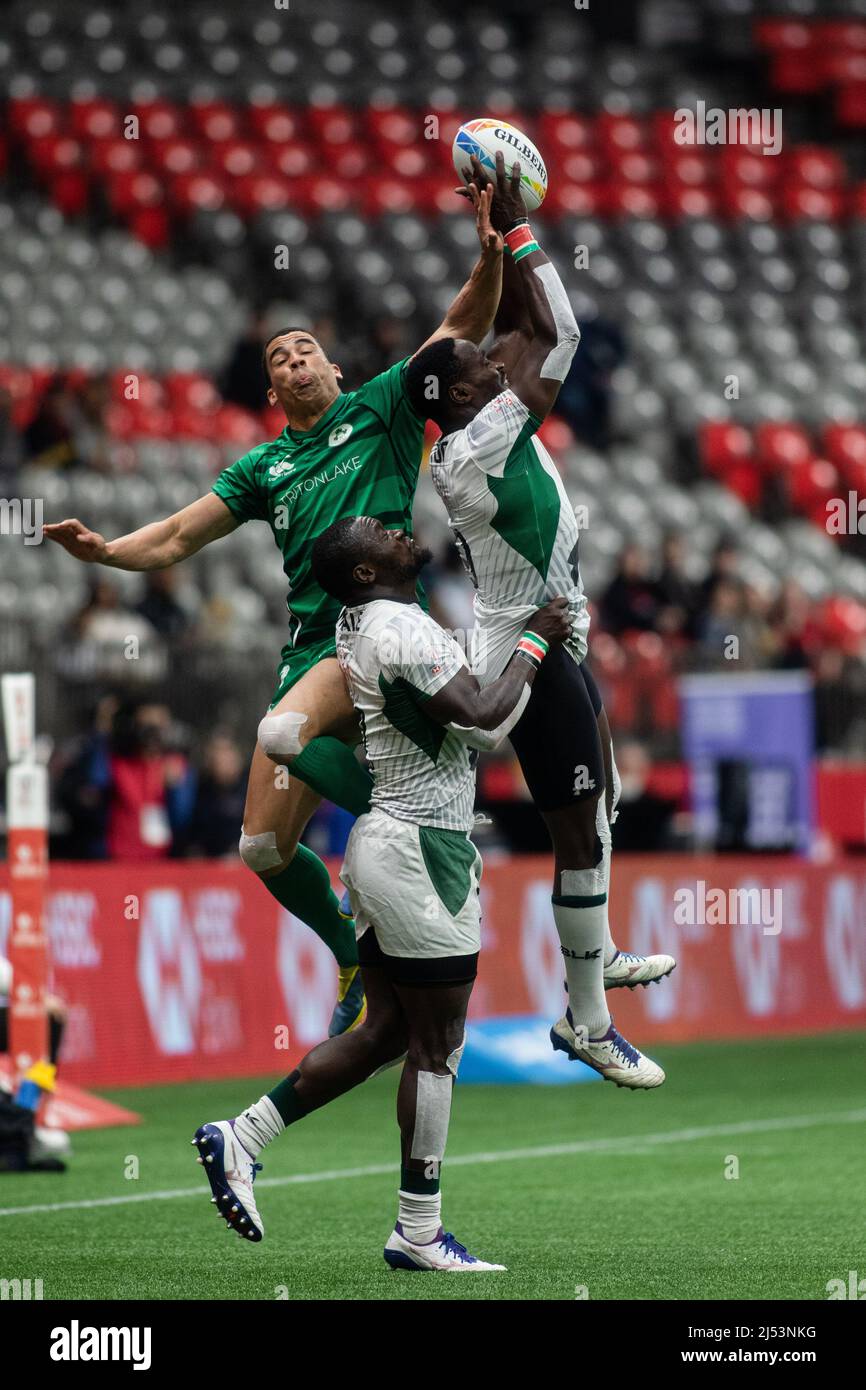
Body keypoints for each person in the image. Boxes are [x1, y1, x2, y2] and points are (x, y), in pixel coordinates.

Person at [42, 181, 504, 1038]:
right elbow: (179, 536)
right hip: (308, 645)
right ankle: (354, 952)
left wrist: (488, 257)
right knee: (261, 848)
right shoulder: (264, 469)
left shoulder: (384, 408)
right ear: (272, 390)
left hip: (379, 629)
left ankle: (408, 815)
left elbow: (456, 334)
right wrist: (105, 550)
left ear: (335, 369)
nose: (293, 361)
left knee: (279, 734)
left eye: (306, 350)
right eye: (279, 359)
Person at [192, 515, 571, 1270]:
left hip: (387, 844)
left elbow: (286, 733)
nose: (395, 528)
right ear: (364, 572)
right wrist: (536, 639)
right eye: (378, 532)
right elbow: (490, 722)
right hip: (422, 850)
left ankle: (244, 1136)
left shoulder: (360, 625)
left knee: (388, 1033)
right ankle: (419, 1231)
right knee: (437, 1046)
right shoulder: (405, 628)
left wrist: (368, 796)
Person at [406, 152, 673, 1088]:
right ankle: (589, 1020)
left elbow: (517, 326)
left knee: (596, 810)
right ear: (460, 397)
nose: (492, 358)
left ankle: (596, 962)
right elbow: (555, 335)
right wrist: (518, 226)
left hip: (551, 625)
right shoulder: (478, 440)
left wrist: (489, 240)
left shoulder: (470, 422)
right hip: (529, 639)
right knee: (577, 832)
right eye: (478, 364)